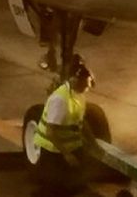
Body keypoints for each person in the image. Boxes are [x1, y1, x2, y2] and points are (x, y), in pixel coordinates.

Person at [31, 58, 95, 197]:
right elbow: (50, 131)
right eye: (86, 84)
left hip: (70, 147)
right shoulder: (60, 100)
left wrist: (93, 143)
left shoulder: (79, 95)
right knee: (54, 189)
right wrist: (67, 154)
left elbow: (81, 122)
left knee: (75, 181)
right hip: (53, 151)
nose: (88, 88)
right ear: (75, 81)